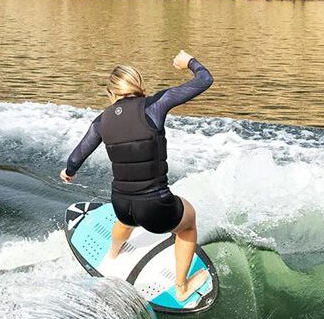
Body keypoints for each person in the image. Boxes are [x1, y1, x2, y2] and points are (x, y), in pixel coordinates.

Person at [61, 50, 214, 303]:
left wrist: (68, 172)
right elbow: (204, 80)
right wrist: (189, 62)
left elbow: (77, 157)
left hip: (122, 205)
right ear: (138, 85)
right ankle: (181, 287)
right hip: (156, 210)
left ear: (112, 93)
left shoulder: (101, 121)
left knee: (126, 217)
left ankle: (112, 254)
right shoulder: (155, 105)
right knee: (188, 222)